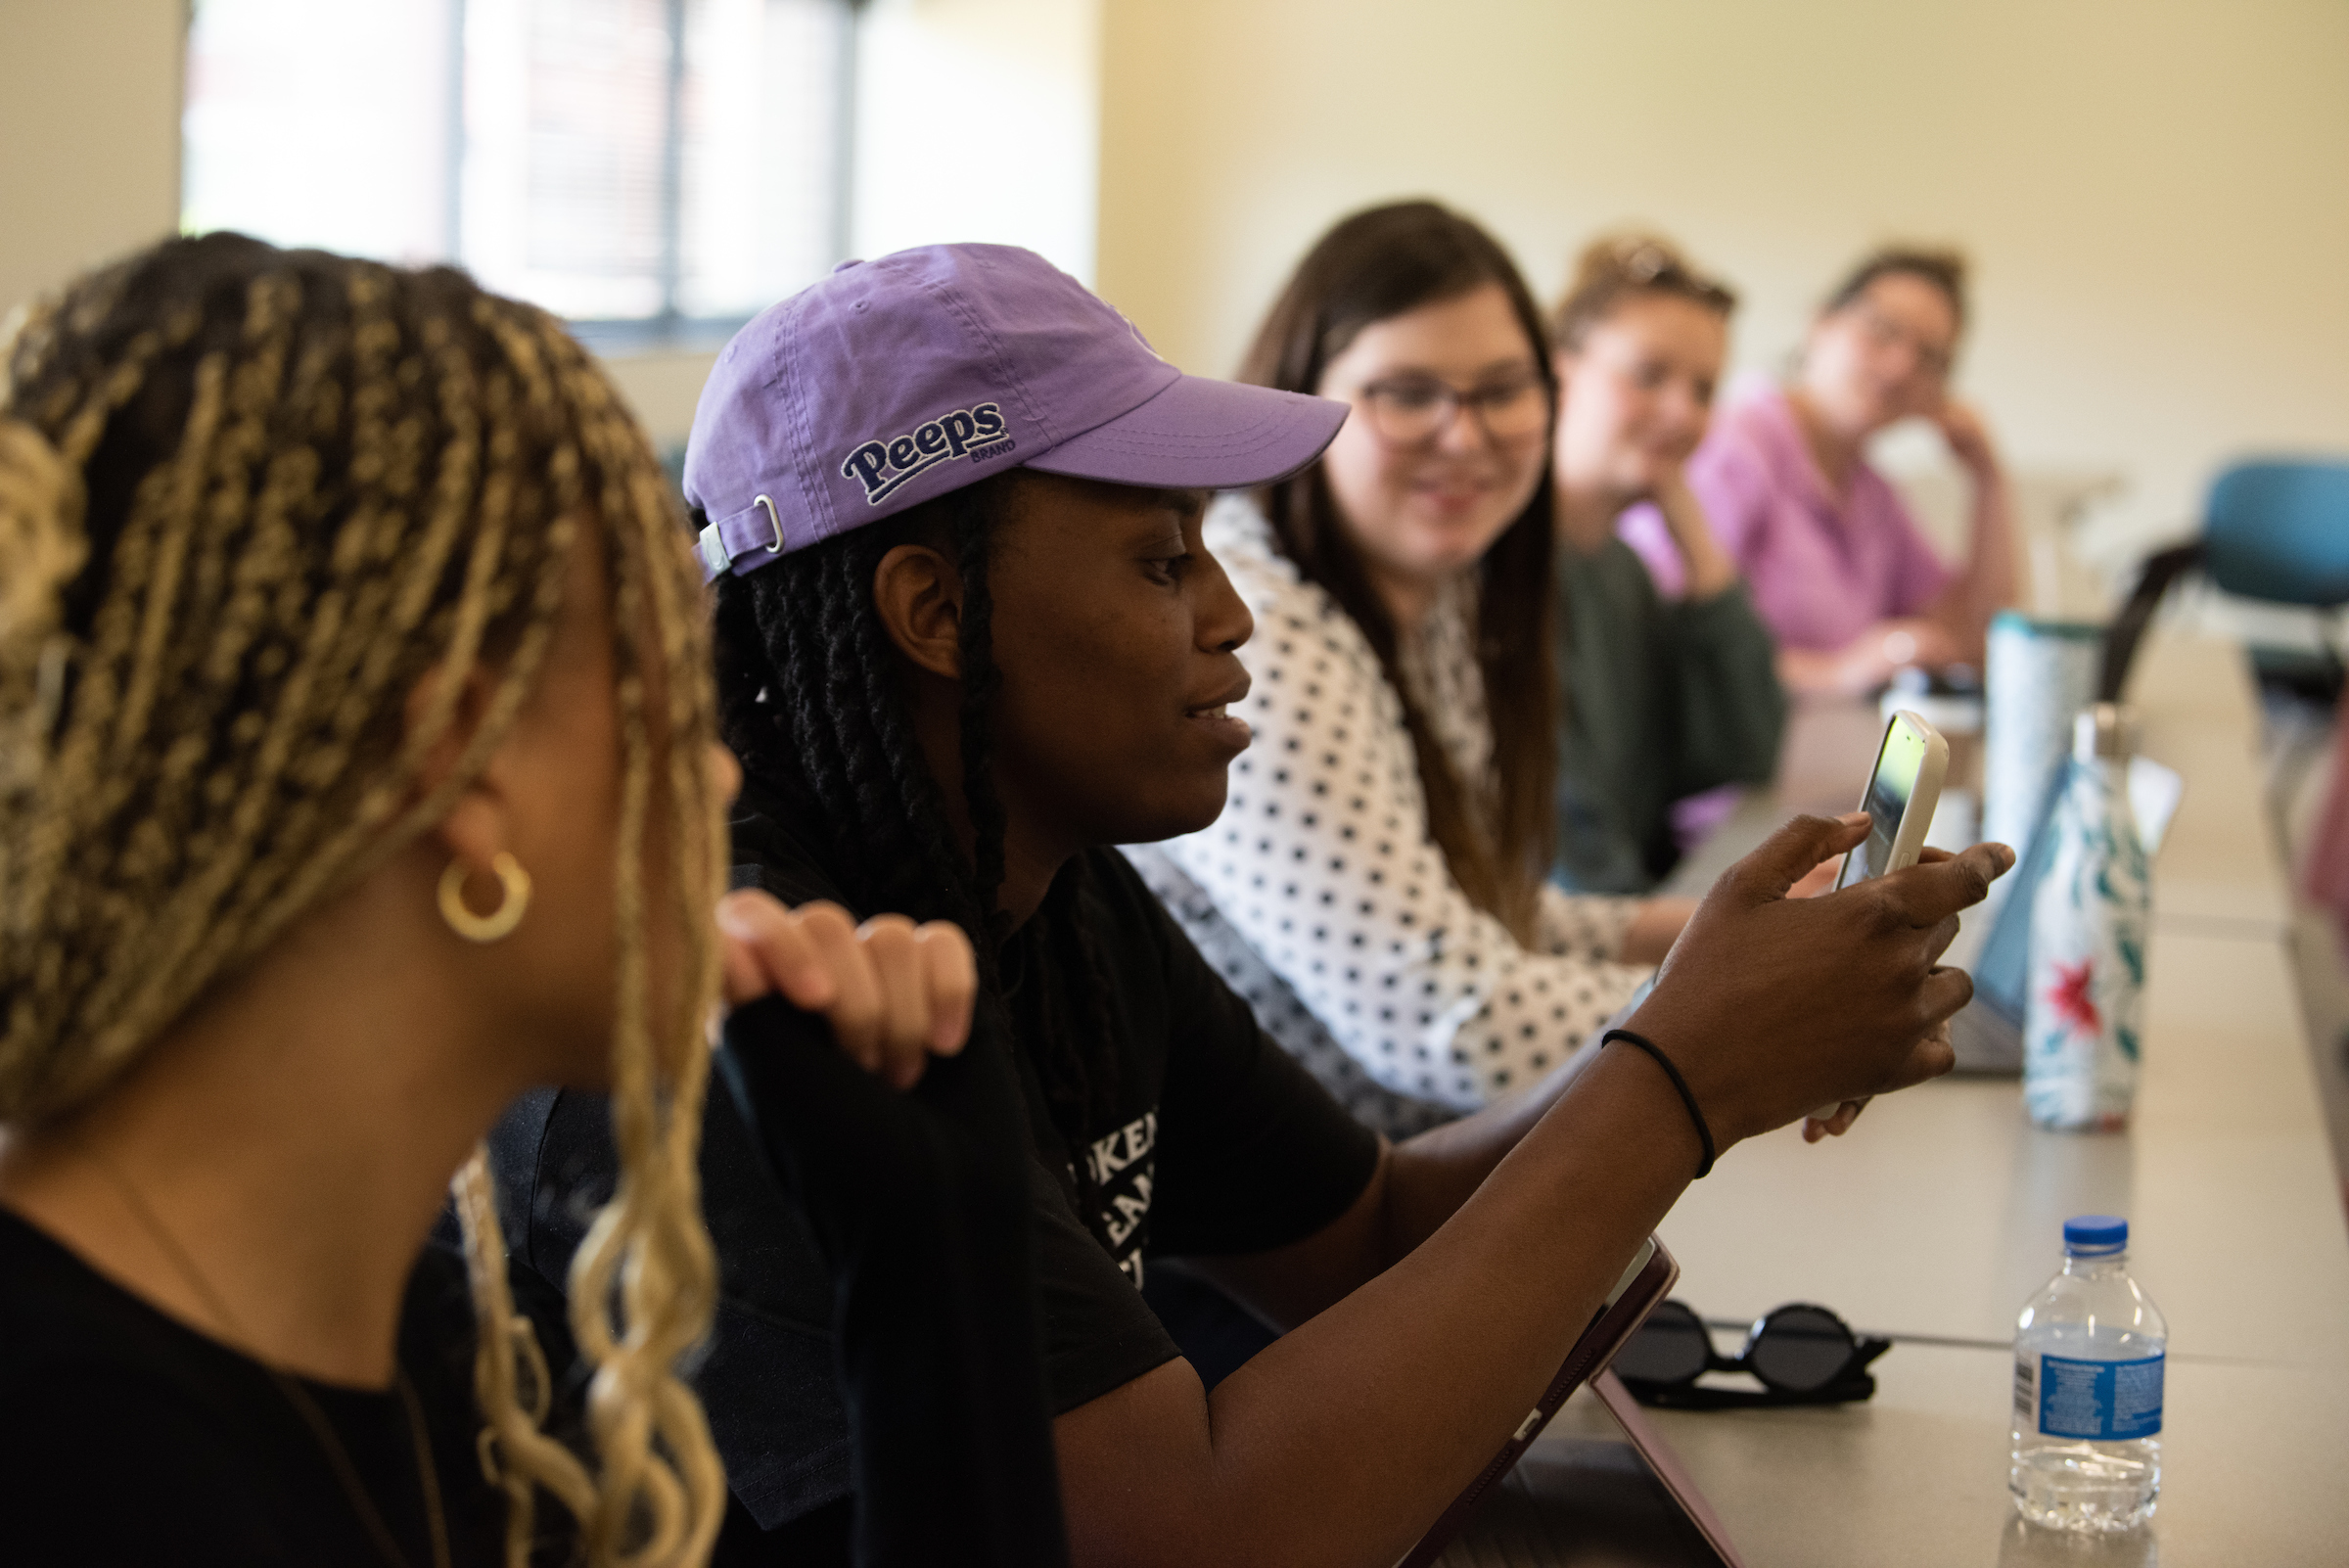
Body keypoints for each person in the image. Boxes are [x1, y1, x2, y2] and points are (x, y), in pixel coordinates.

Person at [494, 240, 2009, 1568]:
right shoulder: (761, 983)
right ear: (934, 612)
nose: (1228, 619)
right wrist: (1677, 1080)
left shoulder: (1044, 878)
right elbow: (1204, 1537)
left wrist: (1712, 1038)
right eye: (1163, 561)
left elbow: (1365, 1229)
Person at [0, 234, 1052, 1568]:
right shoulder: (69, 1465)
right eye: (673, 692)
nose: (721, 766)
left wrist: (932, 1303)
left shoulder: (426, 1329)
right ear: (468, 774)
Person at [1140, 201, 1696, 1136]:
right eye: (1408, 392)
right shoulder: (1264, 636)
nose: (1467, 435)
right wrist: (1750, 1013)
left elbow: (1466, 914)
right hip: (1277, 1250)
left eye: (1503, 388)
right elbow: (1450, 1021)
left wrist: (1704, 931)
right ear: (1299, 403)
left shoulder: (1433, 594)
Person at [1622, 245, 2017, 697]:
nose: (1900, 367)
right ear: (1820, 323)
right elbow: (1654, 639)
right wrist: (1838, 673)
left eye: (1930, 358)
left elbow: (1976, 643)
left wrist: (1989, 481)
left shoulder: (1872, 493)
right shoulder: (1737, 447)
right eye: (1882, 331)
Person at [1547, 233, 1786, 893]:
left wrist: (1697, 540)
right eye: (1649, 376)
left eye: (1704, 389)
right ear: (1558, 375)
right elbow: (1578, 870)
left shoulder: (1622, 571)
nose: (1682, 412)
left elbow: (1746, 748)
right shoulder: (1509, 575)